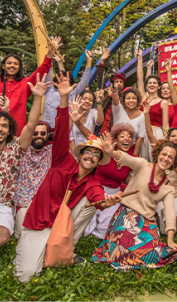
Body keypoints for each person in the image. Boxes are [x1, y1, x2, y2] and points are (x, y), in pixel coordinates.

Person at [13, 72, 123, 283]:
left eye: (96, 154)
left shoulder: (92, 181)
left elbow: (96, 196)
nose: (91, 156)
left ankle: (67, 248)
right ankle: (38, 247)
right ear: (80, 155)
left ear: (98, 160)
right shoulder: (62, 161)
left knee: (89, 204)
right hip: (40, 222)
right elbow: (62, 131)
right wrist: (64, 99)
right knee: (27, 276)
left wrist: (104, 201)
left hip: (64, 223)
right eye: (88, 152)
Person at [0, 73, 50, 248]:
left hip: (0, 207)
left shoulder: (15, 148)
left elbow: (31, 125)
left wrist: (38, 97)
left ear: (10, 131)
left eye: (4, 126)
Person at [92, 139, 177, 271]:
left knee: (153, 253)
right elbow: (127, 159)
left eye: (170, 157)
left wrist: (171, 240)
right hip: (125, 217)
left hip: (146, 223)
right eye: (164, 154)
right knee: (124, 252)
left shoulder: (169, 187)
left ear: (174, 162)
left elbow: (170, 213)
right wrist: (113, 153)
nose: (166, 158)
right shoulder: (143, 165)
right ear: (157, 155)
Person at [0, 17, 59, 134]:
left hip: (14, 133)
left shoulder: (25, 84)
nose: (12, 65)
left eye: (15, 64)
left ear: (19, 67)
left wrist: (49, 55)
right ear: (3, 66)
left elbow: (40, 71)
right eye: (9, 63)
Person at [143, 100, 177, 235]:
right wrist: (146, 114)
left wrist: (172, 157)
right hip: (158, 193)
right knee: (160, 217)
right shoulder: (160, 149)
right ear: (168, 137)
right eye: (172, 136)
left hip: (175, 194)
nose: (175, 138)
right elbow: (150, 133)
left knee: (174, 216)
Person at [84, 122, 136, 239]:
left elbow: (126, 178)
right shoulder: (107, 152)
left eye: (129, 136)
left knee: (106, 229)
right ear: (116, 140)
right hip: (96, 189)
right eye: (122, 136)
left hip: (114, 194)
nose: (126, 138)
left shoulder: (132, 158)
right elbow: (91, 138)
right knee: (85, 223)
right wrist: (77, 122)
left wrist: (134, 177)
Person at [14, 121, 52, 239]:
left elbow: (63, 135)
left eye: (42, 133)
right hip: (24, 201)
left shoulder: (51, 152)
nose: (39, 136)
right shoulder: (21, 151)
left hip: (43, 202)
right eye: (35, 133)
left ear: (47, 135)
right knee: (21, 234)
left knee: (44, 233)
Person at [42, 50, 94, 129]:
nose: (64, 82)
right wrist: (50, 56)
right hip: (45, 128)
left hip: (62, 128)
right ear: (57, 82)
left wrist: (89, 61)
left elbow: (84, 81)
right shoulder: (49, 90)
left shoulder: (72, 94)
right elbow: (47, 73)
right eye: (62, 80)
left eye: (67, 81)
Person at [136, 49, 169, 161]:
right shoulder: (144, 99)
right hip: (142, 133)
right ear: (146, 86)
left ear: (159, 86)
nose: (151, 84)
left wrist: (164, 140)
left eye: (154, 83)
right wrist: (140, 58)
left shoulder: (163, 102)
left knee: (155, 161)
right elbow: (140, 78)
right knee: (143, 163)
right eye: (149, 83)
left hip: (156, 134)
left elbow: (165, 125)